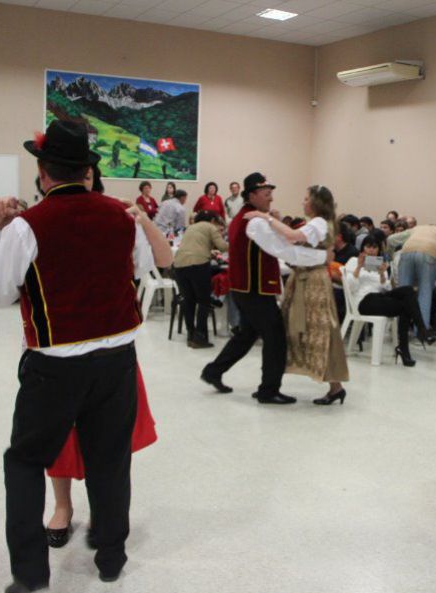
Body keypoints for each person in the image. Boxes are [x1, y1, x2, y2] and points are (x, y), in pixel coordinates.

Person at [0, 120, 156, 593]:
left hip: (54, 368)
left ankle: (32, 573)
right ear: (87, 170)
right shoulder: (121, 216)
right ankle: (112, 558)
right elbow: (140, 267)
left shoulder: (26, 226)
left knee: (24, 461)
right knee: (110, 461)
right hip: (117, 361)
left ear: (43, 172)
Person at [43, 162, 171, 553]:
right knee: (60, 434)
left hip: (112, 349)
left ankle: (104, 509)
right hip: (60, 346)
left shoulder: (118, 219)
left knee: (109, 440)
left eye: (84, 174)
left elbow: (164, 260)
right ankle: (62, 505)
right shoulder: (43, 220)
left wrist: (142, 219)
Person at [200, 172, 327, 405]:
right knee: (275, 336)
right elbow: (282, 250)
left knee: (247, 334)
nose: (271, 199)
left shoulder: (246, 218)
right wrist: (319, 257)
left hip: (246, 287)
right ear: (253, 195)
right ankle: (268, 390)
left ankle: (213, 371)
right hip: (254, 289)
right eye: (267, 194)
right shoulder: (256, 221)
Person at [243, 185, 349, 405]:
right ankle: (273, 385)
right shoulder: (320, 223)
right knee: (305, 329)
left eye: (306, 198)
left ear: (316, 202)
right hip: (306, 279)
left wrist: (265, 217)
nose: (303, 202)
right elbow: (297, 239)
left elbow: (292, 237)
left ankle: (333, 386)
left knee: (318, 330)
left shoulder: (319, 223)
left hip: (312, 282)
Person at [345, 233, 429, 366]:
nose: (371, 250)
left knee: (408, 291)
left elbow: (385, 289)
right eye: (368, 247)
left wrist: (382, 275)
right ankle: (411, 342)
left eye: (374, 247)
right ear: (362, 248)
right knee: (406, 306)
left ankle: (416, 334)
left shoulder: (380, 263)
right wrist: (359, 267)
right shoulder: (354, 261)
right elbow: (351, 287)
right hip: (363, 301)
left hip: (380, 297)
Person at [387, 224, 436, 334]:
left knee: (403, 294)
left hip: (406, 254)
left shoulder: (417, 228)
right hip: (429, 255)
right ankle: (420, 333)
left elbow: (391, 239)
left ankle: (401, 332)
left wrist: (390, 256)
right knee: (424, 295)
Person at [173, 211, 228, 348]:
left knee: (189, 300)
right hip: (198, 265)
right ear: (213, 220)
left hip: (179, 265)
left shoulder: (191, 227)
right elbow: (223, 247)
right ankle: (200, 337)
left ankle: (191, 335)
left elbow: (192, 247)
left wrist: (209, 252)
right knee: (204, 301)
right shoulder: (211, 227)